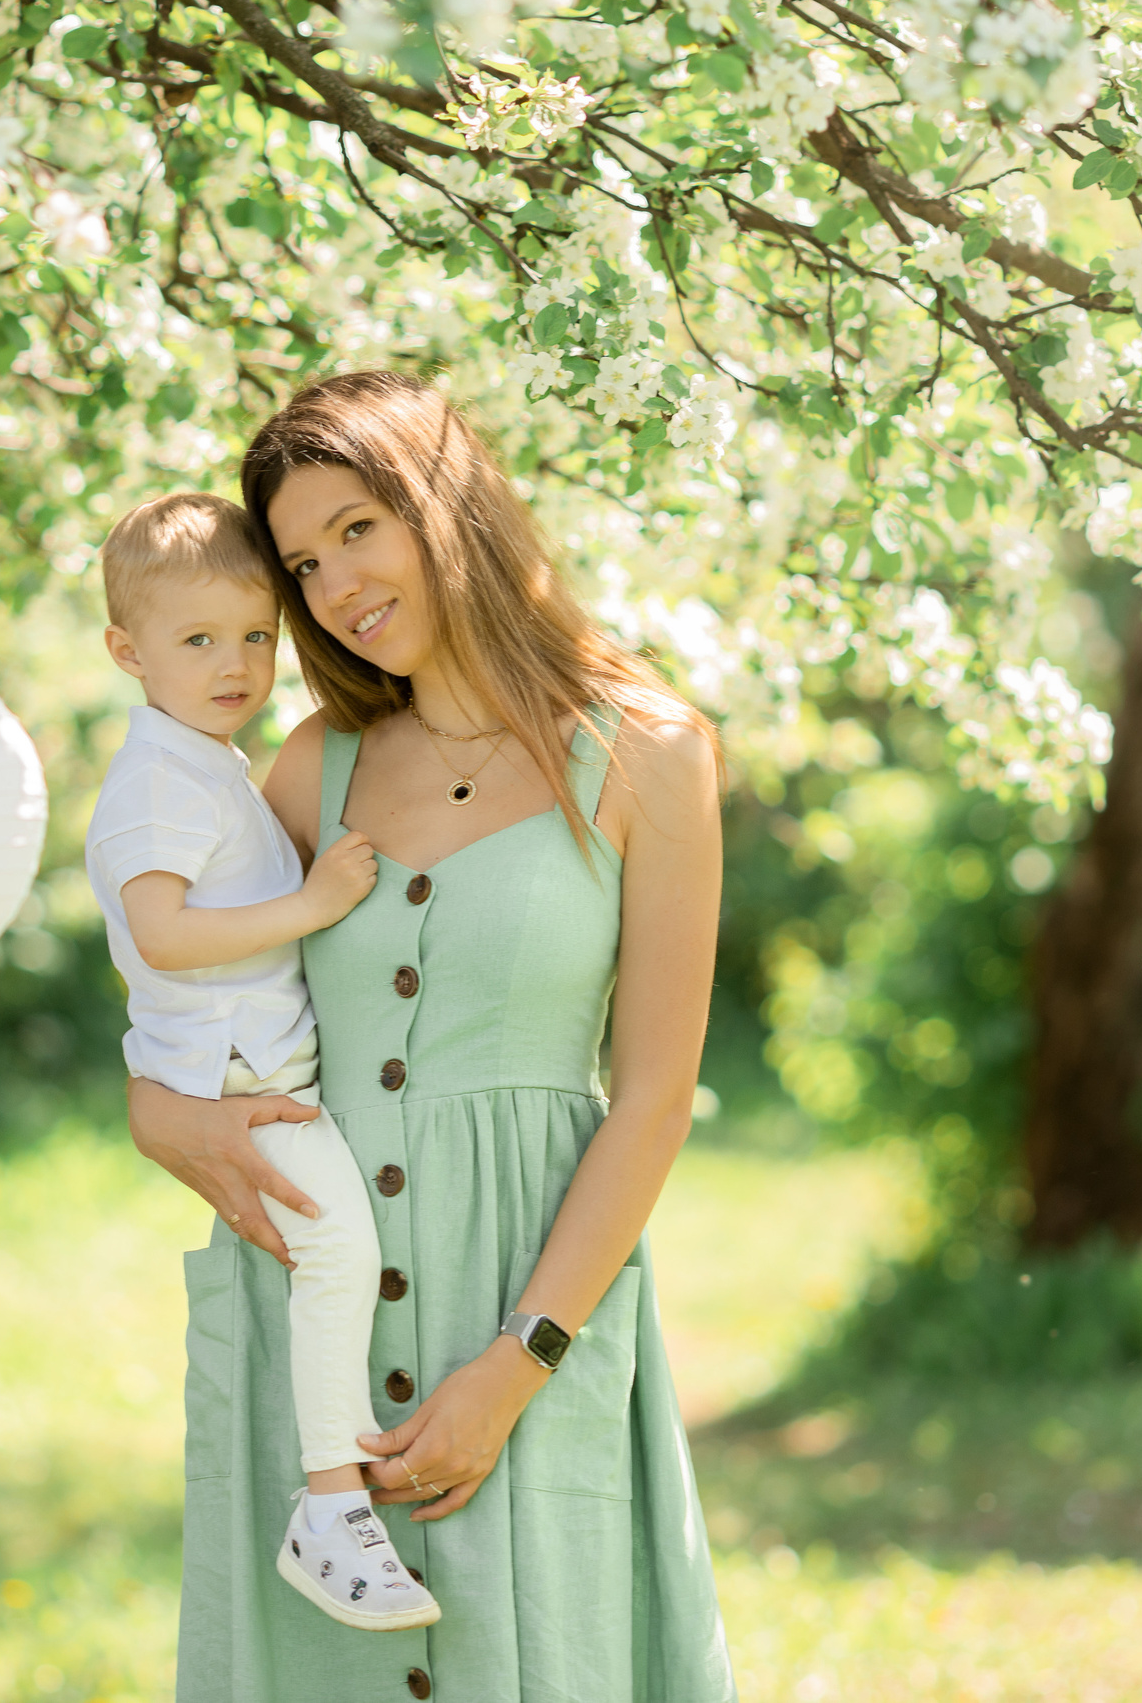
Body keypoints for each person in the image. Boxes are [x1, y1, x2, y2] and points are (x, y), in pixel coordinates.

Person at [129, 372, 736, 1701]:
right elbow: (192, 992)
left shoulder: (648, 753)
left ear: (446, 504)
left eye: (358, 528)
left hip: (526, 1304)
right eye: (303, 564)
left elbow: (652, 1098)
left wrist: (520, 1362)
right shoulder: (311, 768)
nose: (335, 585)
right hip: (316, 1334)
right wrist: (158, 1112)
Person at [84, 492, 442, 1631]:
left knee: (335, 1248)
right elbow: (161, 934)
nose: (234, 664)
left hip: (255, 1062)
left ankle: (334, 1499)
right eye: (197, 640)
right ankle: (330, 1506)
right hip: (242, 1077)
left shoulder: (205, 764)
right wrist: (312, 903)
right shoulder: (158, 782)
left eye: (253, 635)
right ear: (126, 652)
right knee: (338, 1251)